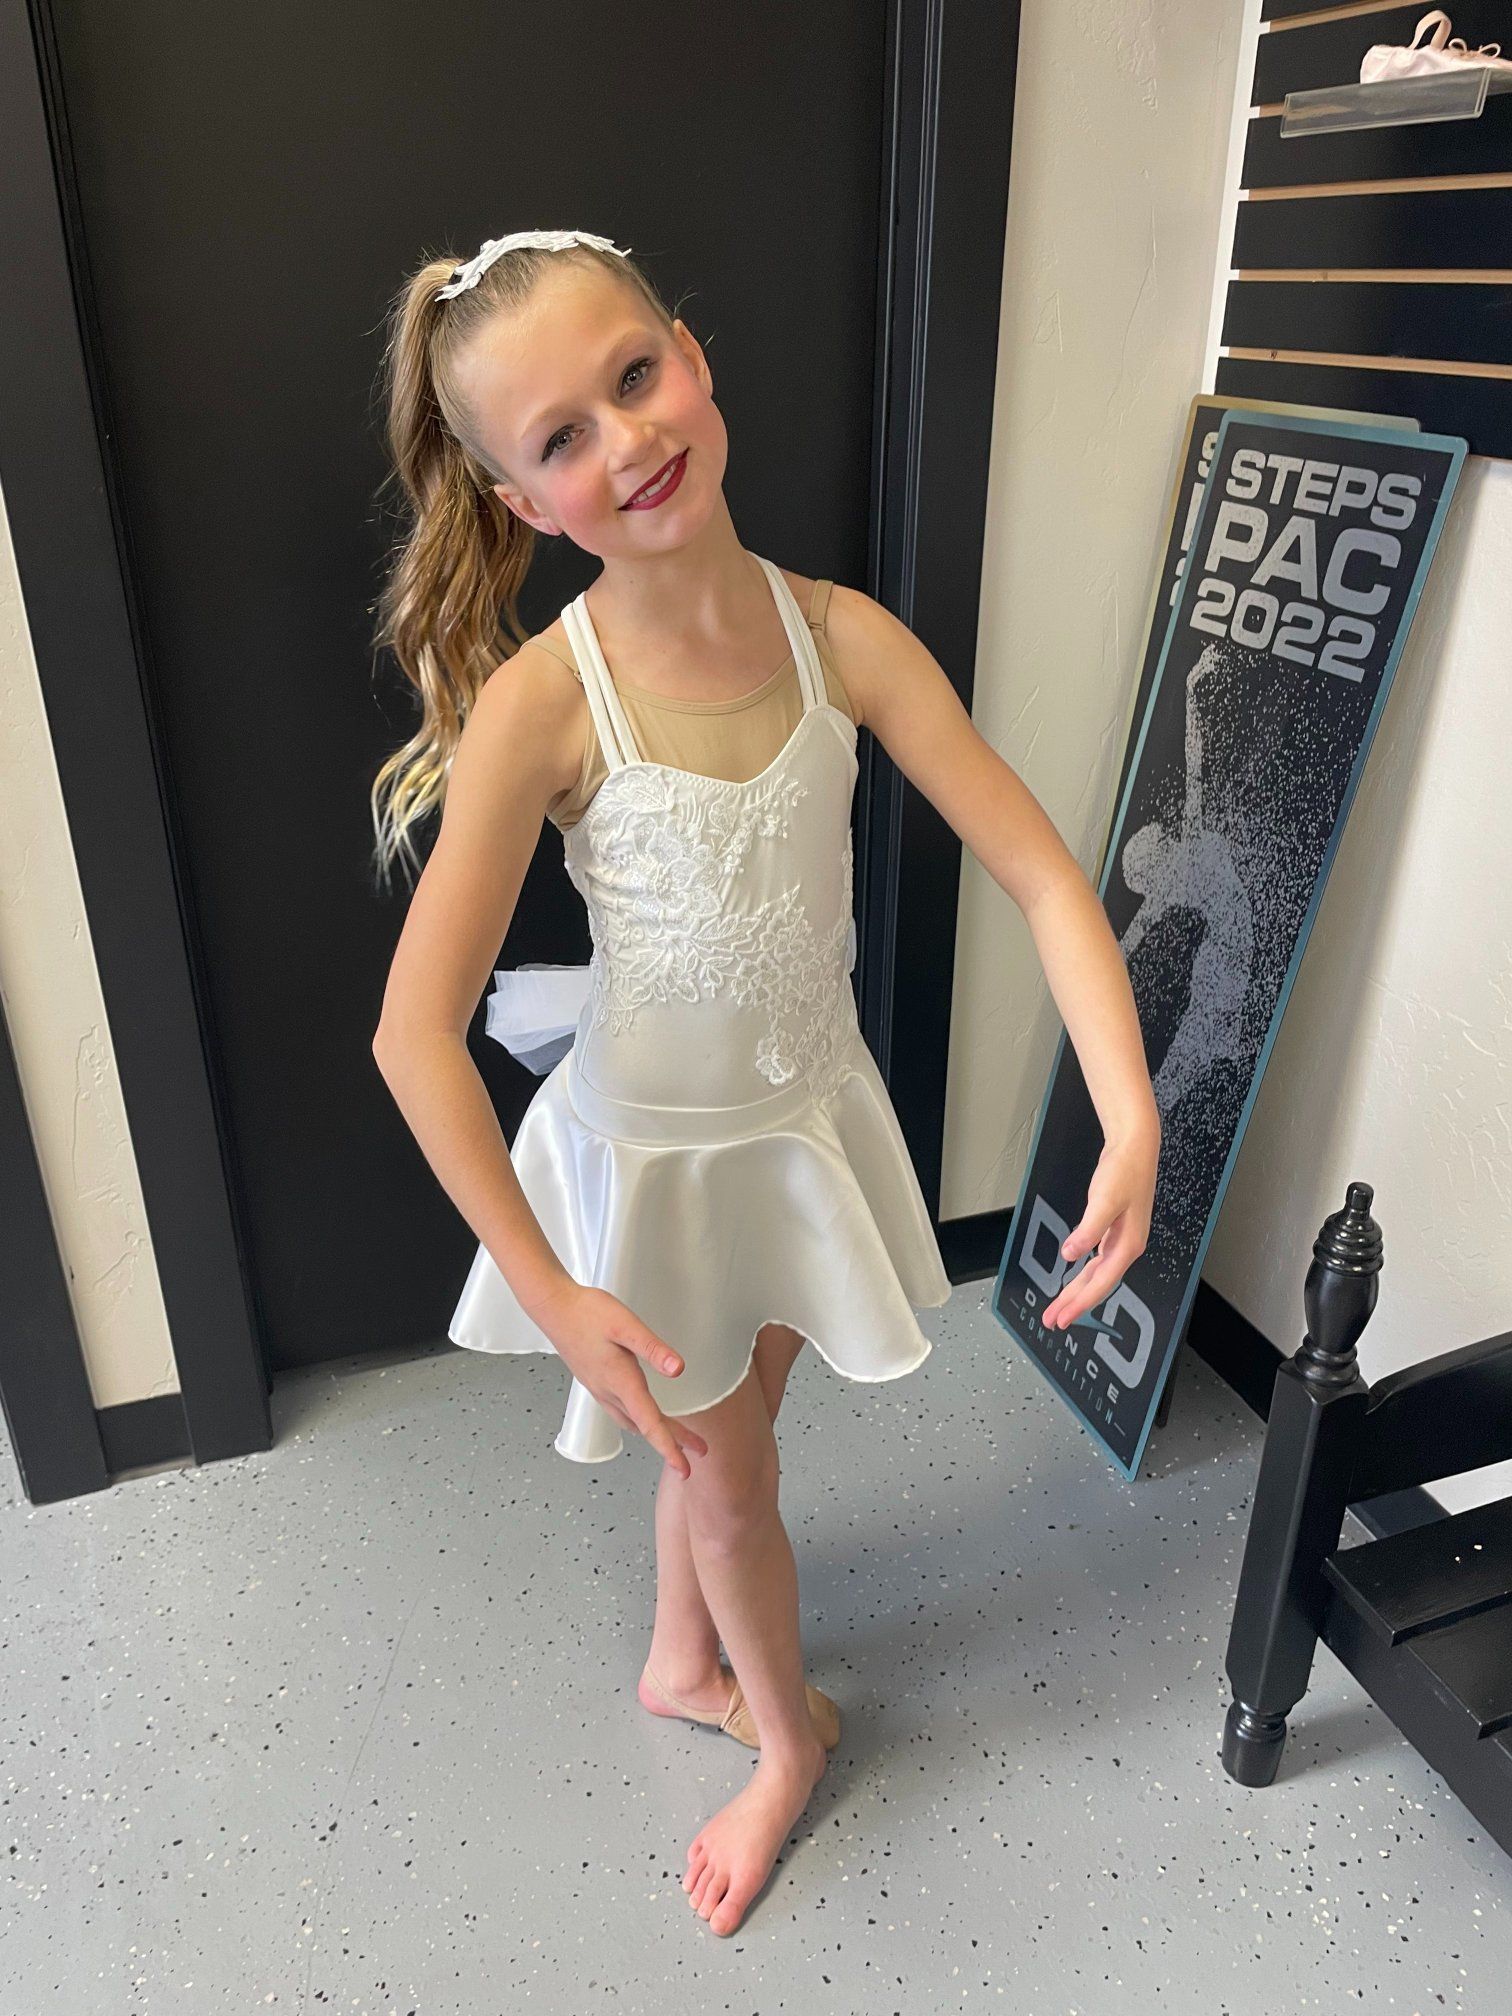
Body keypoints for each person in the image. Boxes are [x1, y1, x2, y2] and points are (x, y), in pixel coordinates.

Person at [368, 227, 1161, 1939]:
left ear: (693, 353)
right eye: (560, 437)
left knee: (739, 1420)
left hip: (803, 1129)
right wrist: (554, 1286)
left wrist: (1133, 1107)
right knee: (731, 1476)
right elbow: (411, 1033)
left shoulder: (841, 639)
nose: (624, 440)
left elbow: (1037, 869)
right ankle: (780, 1743)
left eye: (632, 377)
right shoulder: (541, 706)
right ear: (521, 502)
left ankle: (677, 1661)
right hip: (659, 1175)